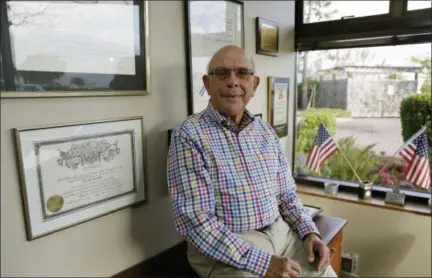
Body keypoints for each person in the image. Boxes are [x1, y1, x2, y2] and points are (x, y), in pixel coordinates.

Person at [167, 45, 337, 278]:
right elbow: (196, 222)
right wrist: (263, 262)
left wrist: (310, 234)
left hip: (282, 235)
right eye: (222, 73)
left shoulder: (265, 131)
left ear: (254, 85)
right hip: (227, 247)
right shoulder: (188, 136)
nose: (233, 81)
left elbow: (287, 196)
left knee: (325, 273)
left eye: (242, 73)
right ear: (207, 84)